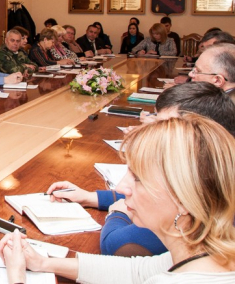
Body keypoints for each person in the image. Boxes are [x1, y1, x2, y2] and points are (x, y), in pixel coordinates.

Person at [0, 115, 235, 284]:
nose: (122, 187)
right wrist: (43, 263)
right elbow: (136, 271)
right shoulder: (203, 250)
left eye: (138, 178)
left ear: (184, 200)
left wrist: (17, 277)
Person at [48, 82, 235, 258]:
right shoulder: (214, 168)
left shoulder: (204, 197)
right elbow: (155, 193)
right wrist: (91, 197)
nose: (151, 129)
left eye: (163, 125)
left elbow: (118, 245)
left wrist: (118, 214)